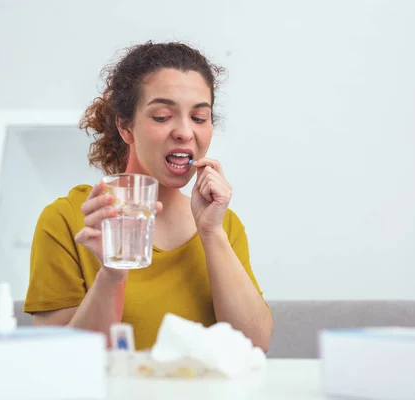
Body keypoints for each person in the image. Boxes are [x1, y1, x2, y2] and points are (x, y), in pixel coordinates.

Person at [23, 41, 273, 352]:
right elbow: (58, 360)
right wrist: (112, 275)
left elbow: (255, 349)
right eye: (162, 116)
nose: (184, 131)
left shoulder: (221, 224)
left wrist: (211, 234)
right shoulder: (68, 219)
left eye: (198, 118)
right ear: (126, 127)